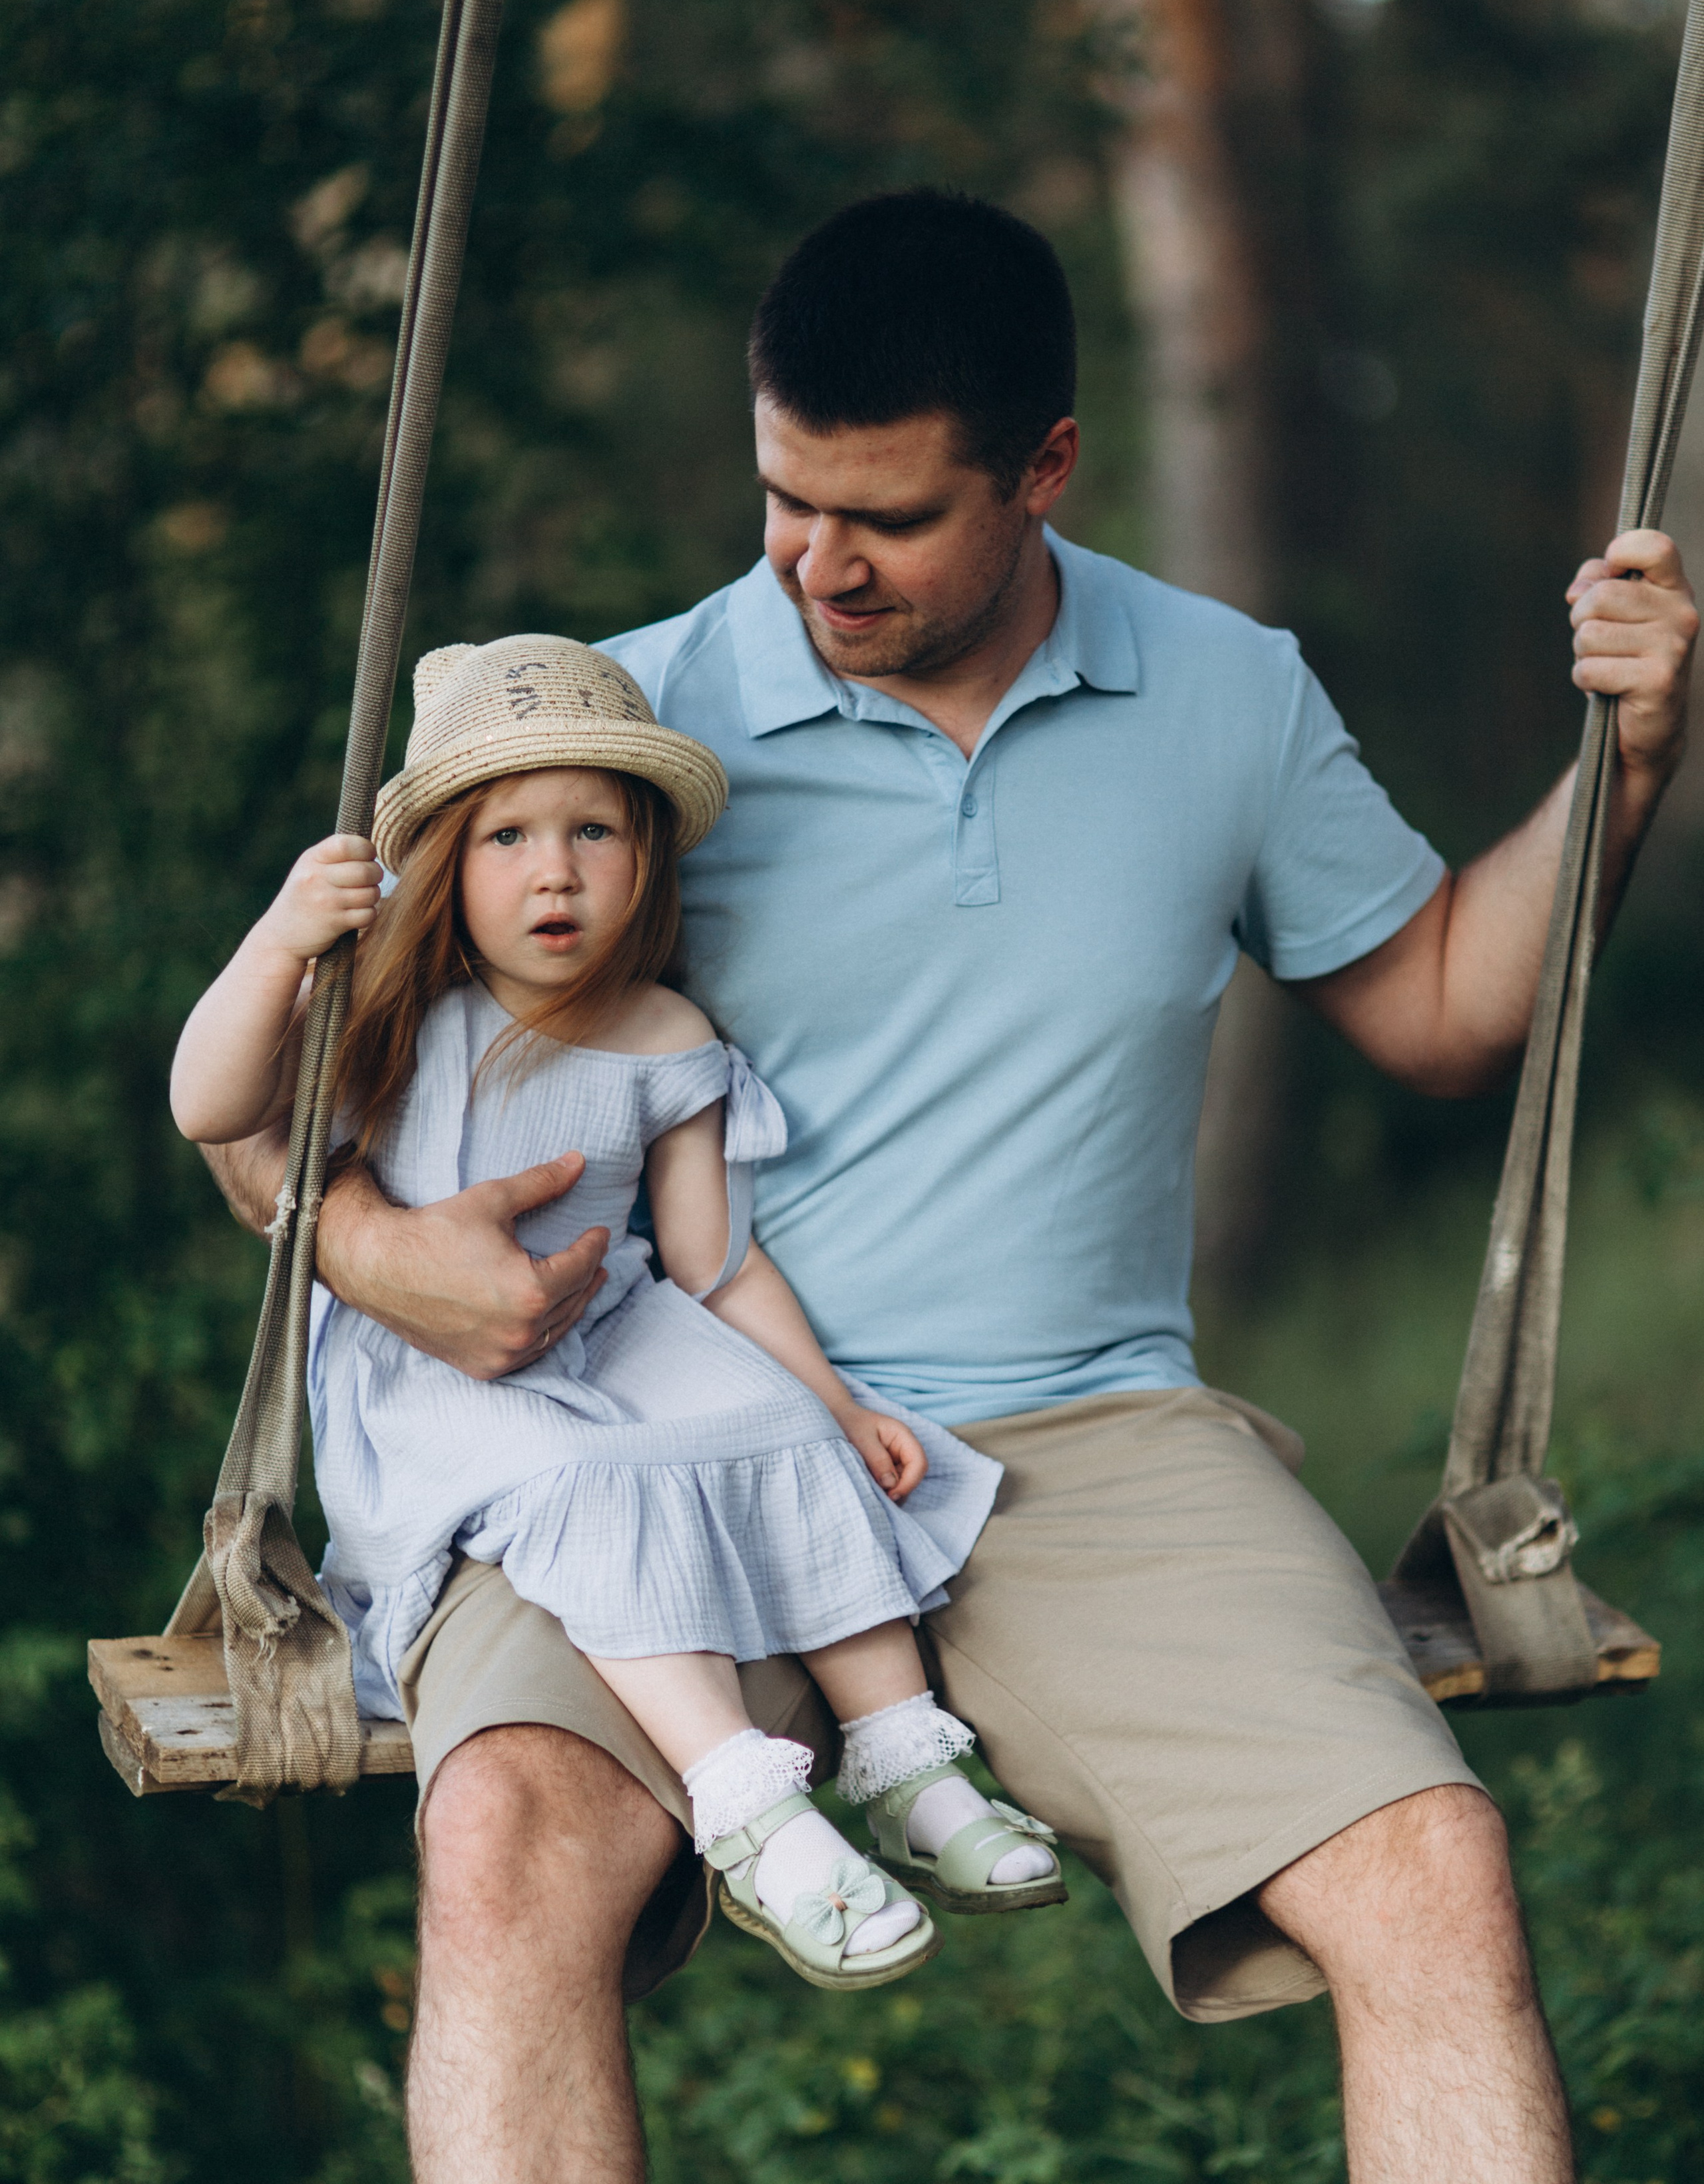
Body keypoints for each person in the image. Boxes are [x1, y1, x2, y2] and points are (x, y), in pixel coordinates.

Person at [202, 190, 1697, 2184]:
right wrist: (396, 1264)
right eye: (781, 500)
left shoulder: (1228, 694)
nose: (818, 563)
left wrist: (1635, 758)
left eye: (887, 519)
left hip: (1091, 1433)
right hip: (639, 1432)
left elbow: (1441, 1007)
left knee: (1435, 1868)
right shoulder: (609, 752)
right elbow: (285, 1120)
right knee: (505, 1843)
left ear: (1045, 470)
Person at [170, 634, 1066, 1992]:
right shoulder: (394, 1017)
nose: (555, 871)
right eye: (508, 836)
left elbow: (716, 1266)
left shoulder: (661, 1033)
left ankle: (907, 1767)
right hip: (433, 1375)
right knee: (577, 1474)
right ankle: (747, 1804)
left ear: (645, 857)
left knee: (775, 1424)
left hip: (617, 1329)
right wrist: (281, 940)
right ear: (442, 868)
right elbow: (207, 1106)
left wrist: (833, 1405)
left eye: (594, 830)